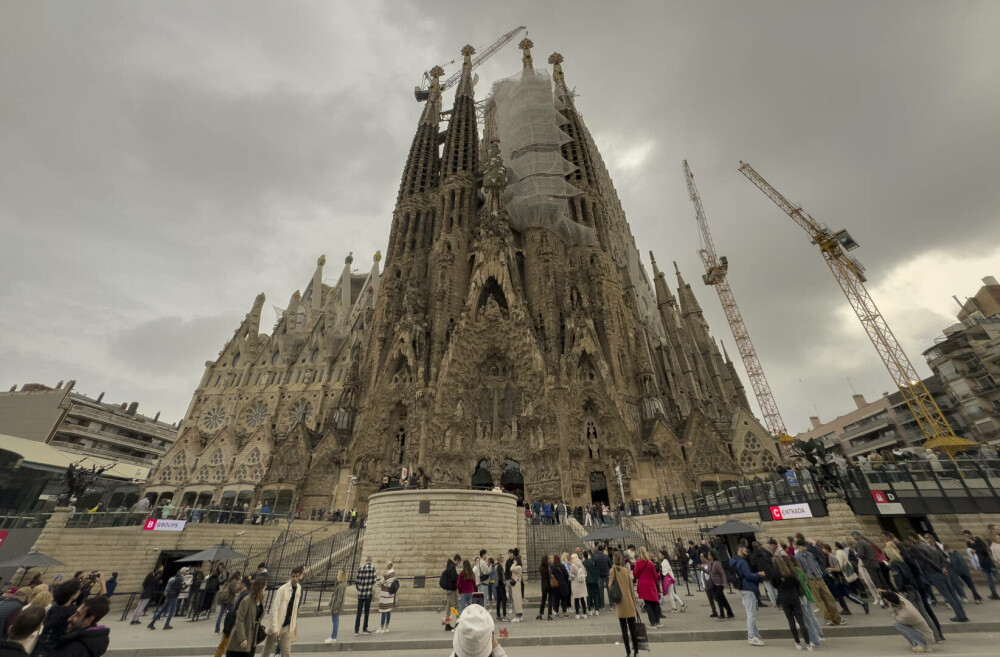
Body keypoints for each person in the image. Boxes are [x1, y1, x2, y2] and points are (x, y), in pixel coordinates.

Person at [885, 542, 943, 643]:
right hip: (915, 588)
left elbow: (898, 578)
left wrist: (900, 590)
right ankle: (936, 636)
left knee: (915, 616)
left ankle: (925, 639)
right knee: (924, 613)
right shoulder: (903, 560)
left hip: (907, 590)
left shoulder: (894, 563)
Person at [910, 533, 968, 622]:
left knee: (947, 595)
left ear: (911, 538)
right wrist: (943, 568)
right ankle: (962, 614)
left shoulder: (917, 548)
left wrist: (939, 569)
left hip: (934, 573)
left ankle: (960, 615)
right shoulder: (929, 546)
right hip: (943, 572)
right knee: (953, 594)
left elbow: (927, 561)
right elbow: (943, 559)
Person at [794, 541, 844, 626]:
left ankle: (837, 619)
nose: (805, 548)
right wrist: (807, 579)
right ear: (799, 547)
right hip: (810, 579)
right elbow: (801, 569)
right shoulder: (797, 557)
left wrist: (820, 573)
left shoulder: (810, 554)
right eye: (803, 546)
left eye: (806, 546)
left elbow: (816, 564)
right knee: (819, 600)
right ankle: (827, 619)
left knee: (829, 597)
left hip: (818, 577)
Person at [771, 553, 812, 650]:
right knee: (801, 621)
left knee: (791, 621)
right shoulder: (790, 571)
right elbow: (797, 583)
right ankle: (808, 644)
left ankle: (797, 643)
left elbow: (774, 585)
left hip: (784, 598)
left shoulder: (775, 573)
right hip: (794, 596)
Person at [261, 565, 303, 657]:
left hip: (287, 626)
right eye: (293, 576)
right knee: (266, 651)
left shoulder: (299, 588)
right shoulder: (282, 589)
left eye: (296, 576)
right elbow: (274, 609)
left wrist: (293, 625)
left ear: (299, 577)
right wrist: (274, 628)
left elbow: (295, 608)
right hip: (277, 625)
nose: (294, 579)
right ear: (290, 576)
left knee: (286, 653)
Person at [33, 580, 80, 657]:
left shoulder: (54, 608)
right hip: (54, 647)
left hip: (42, 644)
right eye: (78, 590)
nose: (79, 592)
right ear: (73, 594)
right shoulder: (72, 611)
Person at [731, 546, 765, 646]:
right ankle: (751, 636)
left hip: (742, 587)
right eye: (745, 550)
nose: (746, 551)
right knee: (751, 613)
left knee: (750, 613)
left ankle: (755, 634)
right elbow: (748, 575)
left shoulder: (734, 561)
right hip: (748, 587)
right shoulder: (742, 562)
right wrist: (759, 574)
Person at [610, 551, 639, 657]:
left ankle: (628, 652)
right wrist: (634, 603)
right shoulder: (626, 570)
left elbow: (610, 586)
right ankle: (636, 650)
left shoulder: (612, 571)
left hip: (620, 603)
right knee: (632, 628)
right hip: (629, 602)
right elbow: (631, 588)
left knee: (624, 629)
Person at [226, 577, 264, 657]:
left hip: (252, 636)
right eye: (265, 585)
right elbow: (240, 619)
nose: (266, 587)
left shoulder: (261, 600)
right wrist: (242, 638)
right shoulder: (247, 600)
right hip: (243, 635)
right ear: (261, 587)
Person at [214, 575, 246, 657]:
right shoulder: (236, 586)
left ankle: (217, 629)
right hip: (230, 606)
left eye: (238, 583)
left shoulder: (229, 582)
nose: (237, 584)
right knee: (225, 643)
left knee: (221, 615)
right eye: (238, 582)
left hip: (227, 607)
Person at [963, 529, 1000, 600]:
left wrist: (975, 546)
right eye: (965, 537)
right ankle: (994, 594)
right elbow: (971, 553)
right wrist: (971, 551)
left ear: (971, 535)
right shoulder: (968, 543)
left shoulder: (978, 539)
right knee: (989, 580)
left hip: (988, 562)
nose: (967, 538)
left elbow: (984, 549)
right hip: (981, 564)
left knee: (998, 577)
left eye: (968, 536)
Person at [632, 548, 661, 628]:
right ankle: (657, 621)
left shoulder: (638, 562)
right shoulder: (650, 563)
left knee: (648, 604)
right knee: (654, 602)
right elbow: (655, 576)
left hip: (643, 584)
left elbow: (635, 574)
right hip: (651, 584)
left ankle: (652, 622)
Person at [705, 551, 734, 619]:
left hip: (719, 584)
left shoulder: (717, 563)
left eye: (709, 554)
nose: (708, 556)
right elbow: (709, 572)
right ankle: (729, 612)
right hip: (713, 583)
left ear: (712, 555)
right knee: (721, 598)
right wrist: (702, 568)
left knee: (718, 598)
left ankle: (722, 613)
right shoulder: (710, 563)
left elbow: (722, 573)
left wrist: (725, 583)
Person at [353, 557, 376, 637]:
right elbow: (374, 580)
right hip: (368, 593)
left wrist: (359, 589)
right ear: (371, 561)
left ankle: (356, 630)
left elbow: (357, 581)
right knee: (366, 612)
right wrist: (369, 585)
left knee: (359, 612)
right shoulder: (372, 568)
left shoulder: (360, 568)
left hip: (361, 593)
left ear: (366, 561)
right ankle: (364, 629)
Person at [214, 569, 241, 634]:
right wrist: (238, 589)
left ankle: (217, 629)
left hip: (224, 599)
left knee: (220, 615)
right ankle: (229, 628)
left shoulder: (229, 580)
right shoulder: (234, 581)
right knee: (232, 614)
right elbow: (234, 590)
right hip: (229, 600)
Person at [658, 549, 685, 613]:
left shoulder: (664, 562)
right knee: (672, 593)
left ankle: (674, 608)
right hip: (670, 578)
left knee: (670, 594)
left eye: (660, 554)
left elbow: (665, 571)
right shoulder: (666, 561)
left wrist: (660, 574)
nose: (659, 555)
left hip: (667, 579)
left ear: (663, 555)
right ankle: (682, 604)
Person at [324, 571, 346, 645]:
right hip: (336, 604)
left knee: (335, 621)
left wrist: (336, 607)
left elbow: (339, 598)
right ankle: (333, 636)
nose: (337, 575)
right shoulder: (341, 584)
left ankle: (333, 637)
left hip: (336, 606)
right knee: (335, 621)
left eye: (338, 574)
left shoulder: (341, 585)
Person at [374, 562, 396, 634]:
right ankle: (387, 627)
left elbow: (380, 583)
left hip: (385, 595)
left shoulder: (387, 575)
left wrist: (381, 584)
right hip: (391, 594)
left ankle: (382, 627)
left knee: (384, 610)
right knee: (389, 610)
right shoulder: (394, 574)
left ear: (387, 567)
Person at [568, 554, 588, 619]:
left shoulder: (573, 565)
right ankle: (584, 614)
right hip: (582, 583)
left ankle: (577, 614)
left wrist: (570, 575)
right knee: (582, 599)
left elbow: (572, 574)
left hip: (575, 583)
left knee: (576, 599)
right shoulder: (581, 564)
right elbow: (585, 573)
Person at [592, 545, 611, 611]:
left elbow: (594, 566)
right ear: (603, 550)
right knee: (609, 589)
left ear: (598, 550)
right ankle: (611, 604)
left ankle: (602, 605)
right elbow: (610, 565)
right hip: (606, 574)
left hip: (599, 575)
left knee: (601, 590)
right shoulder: (606, 557)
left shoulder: (595, 557)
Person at [535, 556, 554, 621]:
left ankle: (540, 614)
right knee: (550, 600)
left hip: (544, 585)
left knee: (543, 600)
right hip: (550, 585)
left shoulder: (541, 567)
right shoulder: (549, 566)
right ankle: (549, 615)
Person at [508, 554, 523, 623]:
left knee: (517, 599)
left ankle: (518, 616)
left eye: (514, 560)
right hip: (515, 584)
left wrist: (514, 564)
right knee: (516, 599)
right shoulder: (518, 567)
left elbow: (511, 569)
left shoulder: (518, 567)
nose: (513, 561)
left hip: (516, 584)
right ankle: (519, 615)